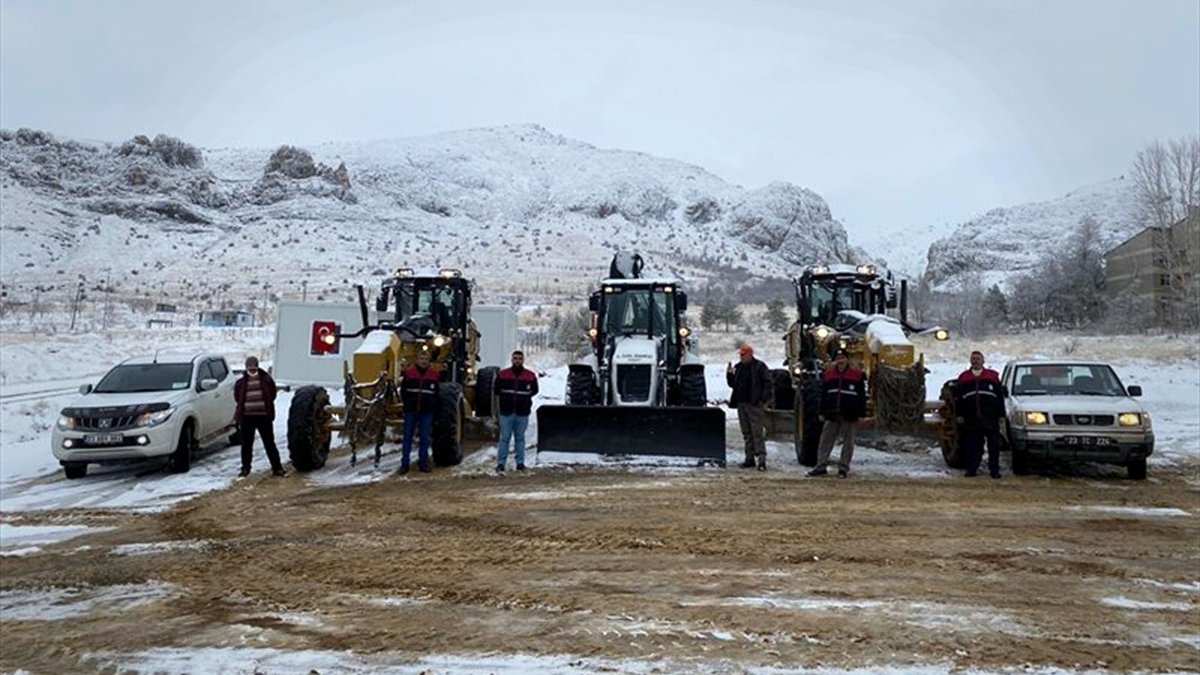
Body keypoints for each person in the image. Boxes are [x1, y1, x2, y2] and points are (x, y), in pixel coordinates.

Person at [808, 348, 866, 478]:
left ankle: (843, 468)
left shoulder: (856, 375)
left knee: (848, 442)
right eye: (838, 358)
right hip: (832, 413)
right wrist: (822, 411)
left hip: (849, 413)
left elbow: (861, 396)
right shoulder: (829, 374)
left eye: (842, 358)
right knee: (825, 440)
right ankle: (820, 465)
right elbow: (824, 395)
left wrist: (861, 414)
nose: (840, 360)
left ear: (847, 359)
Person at [954, 350, 1007, 479]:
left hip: (990, 417)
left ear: (983, 361)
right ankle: (972, 469)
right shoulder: (964, 377)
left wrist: (1001, 415)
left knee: (993, 446)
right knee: (973, 446)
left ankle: (994, 470)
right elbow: (958, 399)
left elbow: (1000, 397)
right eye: (973, 359)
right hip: (971, 418)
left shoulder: (992, 376)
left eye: (978, 359)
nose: (975, 361)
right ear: (970, 361)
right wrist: (959, 414)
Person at [234, 356, 285, 478]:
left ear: (257, 366)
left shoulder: (266, 379)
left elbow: (272, 394)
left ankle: (277, 468)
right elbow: (237, 398)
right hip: (247, 418)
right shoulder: (240, 383)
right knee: (246, 445)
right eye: (249, 366)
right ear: (246, 367)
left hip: (264, 417)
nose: (252, 368)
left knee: (269, 444)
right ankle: (245, 469)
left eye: (254, 365)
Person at [726, 344, 772, 470]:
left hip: (754, 405)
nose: (741, 357)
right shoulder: (738, 368)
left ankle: (761, 460)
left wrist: (763, 400)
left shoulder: (759, 367)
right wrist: (729, 374)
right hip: (742, 404)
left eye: (743, 355)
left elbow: (768, 383)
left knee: (757, 433)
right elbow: (732, 384)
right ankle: (749, 459)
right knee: (747, 433)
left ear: (750, 354)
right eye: (740, 355)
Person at [493, 350, 539, 473]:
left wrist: (524, 400)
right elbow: (496, 390)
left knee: (520, 439)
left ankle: (520, 463)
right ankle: (501, 464)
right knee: (504, 438)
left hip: (522, 412)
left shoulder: (530, 375)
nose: (517, 360)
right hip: (506, 412)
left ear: (523, 360)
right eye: (515, 358)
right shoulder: (503, 374)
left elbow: (535, 390)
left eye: (519, 358)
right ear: (512, 359)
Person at [399, 350, 440, 475]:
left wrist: (433, 406)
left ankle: (423, 462)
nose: (423, 361)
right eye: (421, 359)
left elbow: (436, 393)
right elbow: (404, 391)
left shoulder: (433, 375)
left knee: (425, 438)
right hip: (411, 410)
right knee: (407, 438)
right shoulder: (409, 373)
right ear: (417, 360)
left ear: (429, 361)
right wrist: (407, 404)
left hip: (426, 411)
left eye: (426, 359)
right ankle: (404, 464)